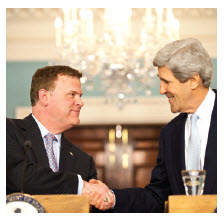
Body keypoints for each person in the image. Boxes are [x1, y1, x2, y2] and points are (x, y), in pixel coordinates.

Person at [89, 38, 217, 212]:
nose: (161, 90)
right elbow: (157, 196)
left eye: (167, 81)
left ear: (193, 81)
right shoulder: (170, 133)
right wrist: (110, 197)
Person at [6, 65, 114, 210]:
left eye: (80, 96)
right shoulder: (8, 131)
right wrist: (80, 186)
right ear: (44, 97)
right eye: (72, 94)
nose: (80, 102)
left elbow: (90, 208)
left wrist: (104, 198)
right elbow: (18, 175)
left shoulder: (83, 161)